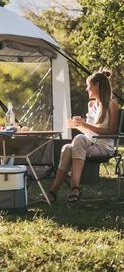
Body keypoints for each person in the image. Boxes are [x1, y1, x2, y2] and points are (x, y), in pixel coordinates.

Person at [46, 70, 119, 202]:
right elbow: (89, 131)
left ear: (97, 85)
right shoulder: (92, 105)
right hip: (89, 144)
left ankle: (74, 189)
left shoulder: (112, 104)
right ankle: (53, 192)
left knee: (77, 141)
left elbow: (112, 131)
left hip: (104, 146)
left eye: (88, 85)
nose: (86, 89)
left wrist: (85, 125)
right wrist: (76, 126)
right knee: (67, 148)